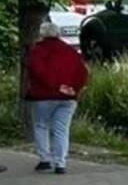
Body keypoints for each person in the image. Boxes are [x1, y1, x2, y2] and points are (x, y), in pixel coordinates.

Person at [26, 21, 89, 174]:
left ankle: (44, 159)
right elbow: (83, 72)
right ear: (58, 33)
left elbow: (37, 71)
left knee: (41, 125)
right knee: (62, 129)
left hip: (43, 96)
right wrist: (74, 88)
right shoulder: (70, 51)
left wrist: (56, 86)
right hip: (68, 98)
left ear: (42, 34)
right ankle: (60, 163)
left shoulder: (37, 51)